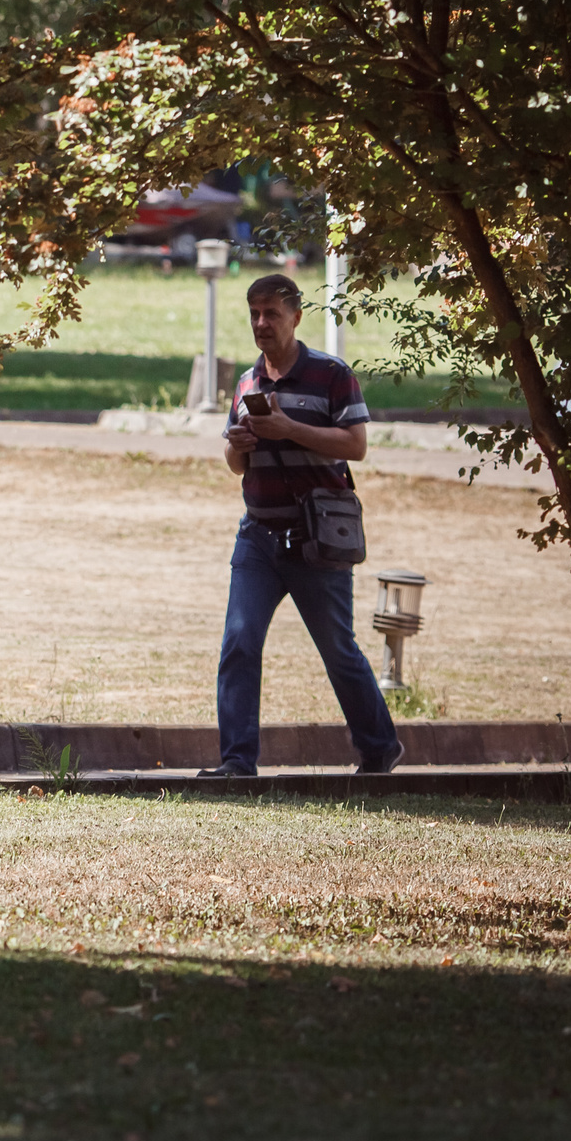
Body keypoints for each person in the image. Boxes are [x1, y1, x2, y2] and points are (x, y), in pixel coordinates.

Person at [211, 271, 403, 778]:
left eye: (272, 313)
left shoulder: (331, 374)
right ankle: (236, 763)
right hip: (258, 537)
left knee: (338, 650)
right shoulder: (248, 382)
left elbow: (356, 446)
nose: (261, 323)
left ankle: (379, 747)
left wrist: (289, 429)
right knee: (239, 641)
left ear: (296, 316)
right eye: (254, 313)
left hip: (317, 540)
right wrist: (238, 444)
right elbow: (236, 465)